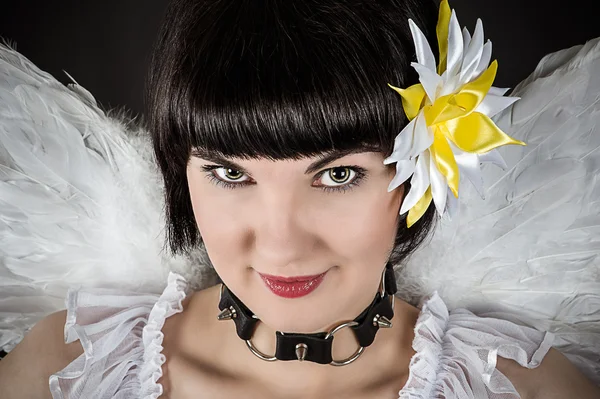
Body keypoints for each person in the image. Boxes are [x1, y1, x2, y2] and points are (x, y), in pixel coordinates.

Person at [0, 0, 599, 398]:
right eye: (230, 174)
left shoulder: (523, 386)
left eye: (337, 176)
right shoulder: (64, 369)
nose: (281, 244)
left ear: (422, 169)